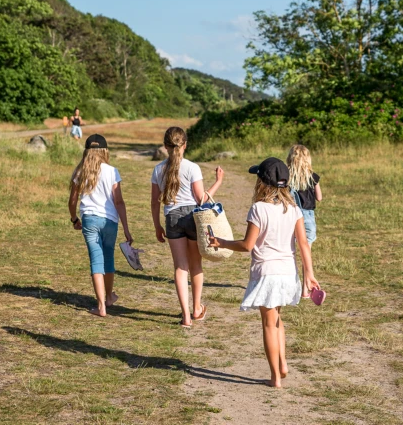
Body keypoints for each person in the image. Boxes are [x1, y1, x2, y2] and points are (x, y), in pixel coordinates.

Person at [207, 157, 320, 388]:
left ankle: (275, 378)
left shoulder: (258, 208)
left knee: (269, 324)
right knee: (277, 319)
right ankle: (283, 363)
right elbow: (303, 244)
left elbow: (248, 245)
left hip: (267, 273)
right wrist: (309, 273)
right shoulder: (294, 209)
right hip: (288, 273)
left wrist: (222, 243)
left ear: (262, 183)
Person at [151, 126, 224, 328]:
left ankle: (185, 316)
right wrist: (218, 182)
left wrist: (157, 226)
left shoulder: (158, 169)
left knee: (180, 267)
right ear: (185, 145)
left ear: (165, 146)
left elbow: (154, 202)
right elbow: (201, 200)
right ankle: (197, 309)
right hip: (192, 217)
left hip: (171, 218)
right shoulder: (192, 167)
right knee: (195, 265)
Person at [67, 134, 133, 317]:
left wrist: (74, 219)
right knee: (108, 258)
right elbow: (119, 202)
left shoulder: (80, 172)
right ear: (105, 151)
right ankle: (109, 296)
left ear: (86, 151)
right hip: (110, 221)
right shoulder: (113, 172)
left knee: (96, 260)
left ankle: (100, 306)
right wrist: (126, 229)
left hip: (89, 219)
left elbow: (72, 201)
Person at [286, 144, 322, 299]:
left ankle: (289, 287)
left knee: (290, 253)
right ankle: (304, 291)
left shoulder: (287, 178)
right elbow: (319, 197)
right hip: (307, 218)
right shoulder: (313, 177)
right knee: (306, 253)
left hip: (291, 217)